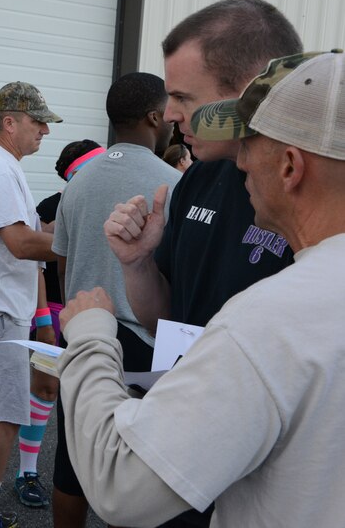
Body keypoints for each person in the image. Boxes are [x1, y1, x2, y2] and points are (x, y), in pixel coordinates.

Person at [57, 48, 345, 527]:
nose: (242, 163)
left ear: (291, 167)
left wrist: (89, 337)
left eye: (250, 143)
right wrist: (140, 265)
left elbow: (120, 482)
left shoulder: (271, 318)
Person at [104, 0, 302, 526]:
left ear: (247, 96)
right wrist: (138, 264)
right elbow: (165, 321)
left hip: (265, 476)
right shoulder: (198, 176)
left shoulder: (310, 200)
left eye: (183, 97)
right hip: (183, 450)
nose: (168, 114)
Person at [51, 72, 180, 528]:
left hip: (83, 334)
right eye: (169, 111)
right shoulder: (172, 183)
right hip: (146, 344)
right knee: (140, 471)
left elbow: (62, 266)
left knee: (72, 463)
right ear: (153, 116)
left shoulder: (78, 184)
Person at [0, 81, 62, 527]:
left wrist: (42, 318)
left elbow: (26, 256)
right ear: (10, 122)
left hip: (6, 312)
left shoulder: (4, 165)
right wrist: (77, 241)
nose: (44, 129)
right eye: (37, 121)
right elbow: (22, 244)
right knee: (1, 419)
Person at [16, 140, 103, 513]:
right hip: (52, 309)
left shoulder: (114, 202)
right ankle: (27, 472)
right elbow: (31, 265)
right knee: (47, 389)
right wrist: (43, 321)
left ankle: (93, 478)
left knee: (91, 395)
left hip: (94, 309)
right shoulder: (50, 207)